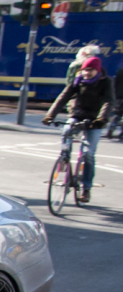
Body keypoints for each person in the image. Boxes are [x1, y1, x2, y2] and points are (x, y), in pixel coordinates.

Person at [44, 56, 115, 204]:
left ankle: (86, 188)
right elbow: (63, 97)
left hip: (95, 119)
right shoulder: (77, 80)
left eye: (90, 70)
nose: (87, 73)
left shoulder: (106, 82)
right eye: (85, 70)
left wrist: (101, 119)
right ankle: (65, 156)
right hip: (77, 115)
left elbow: (109, 101)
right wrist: (50, 115)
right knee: (66, 130)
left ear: (98, 71)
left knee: (88, 154)